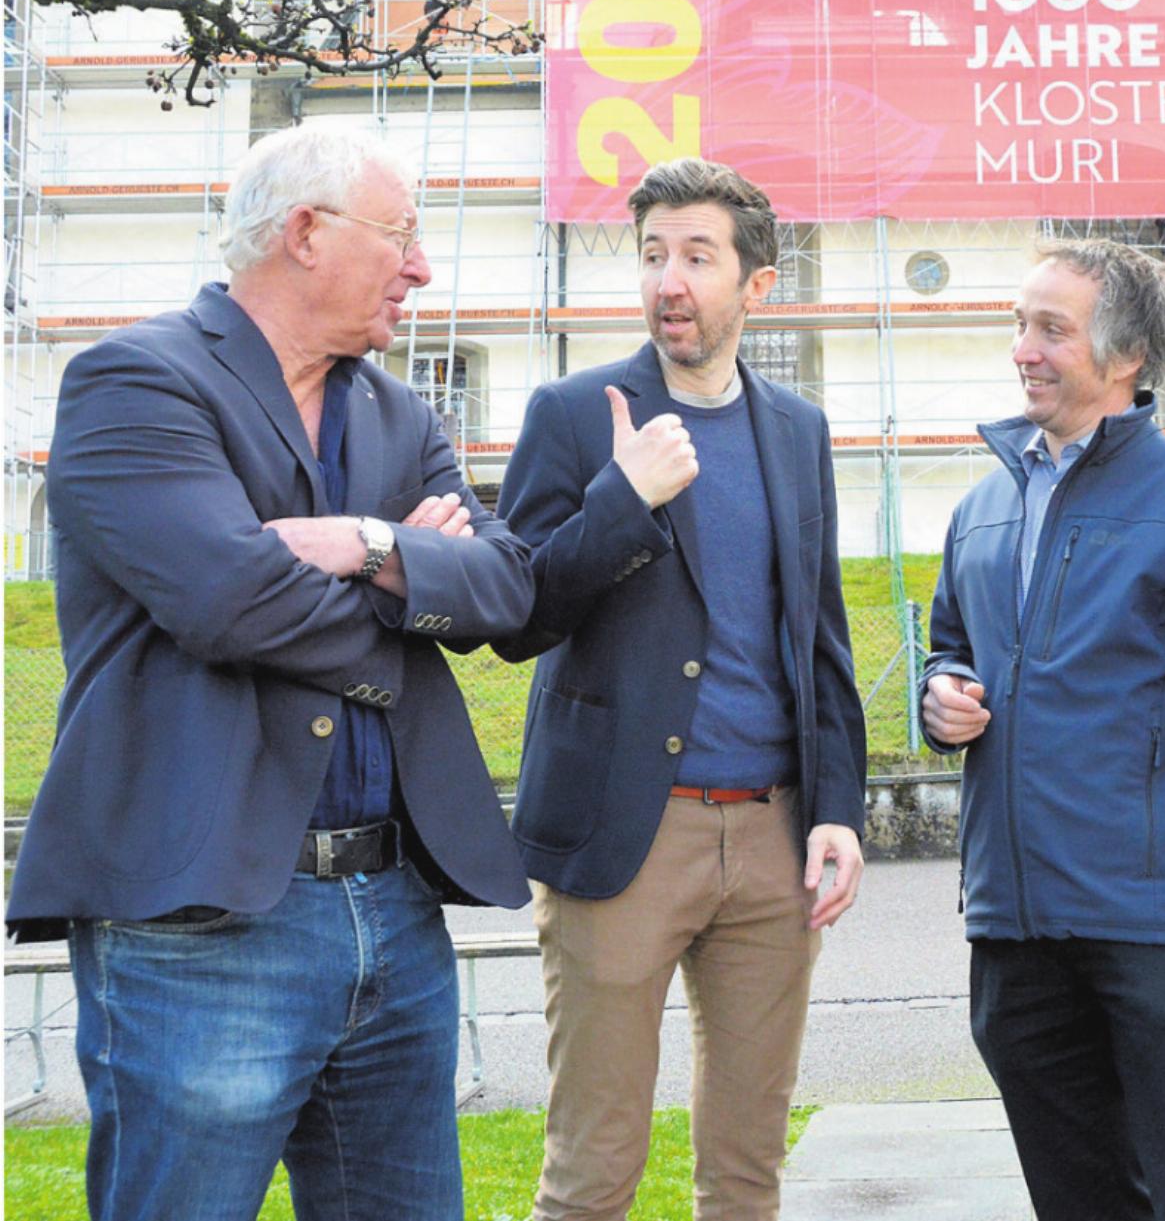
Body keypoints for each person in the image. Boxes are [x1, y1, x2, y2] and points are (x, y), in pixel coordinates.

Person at [6, 126, 535, 1220]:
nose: (421, 267)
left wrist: (366, 543)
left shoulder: (400, 409)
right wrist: (410, 588)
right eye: (400, 235)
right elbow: (227, 603)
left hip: (394, 910)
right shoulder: (135, 382)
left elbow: (504, 590)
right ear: (304, 233)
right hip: (199, 926)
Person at [494, 157, 867, 1221]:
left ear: (759, 285)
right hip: (623, 837)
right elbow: (517, 618)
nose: (669, 279)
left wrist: (837, 808)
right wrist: (623, 499)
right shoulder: (574, 413)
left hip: (770, 843)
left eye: (698, 256)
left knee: (747, 1174)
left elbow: (821, 639)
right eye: (654, 254)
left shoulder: (796, 431)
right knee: (591, 1175)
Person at [919, 237, 1165, 1221]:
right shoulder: (981, 507)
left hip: (1156, 930)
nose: (1023, 350)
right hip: (1013, 927)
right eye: (1019, 325)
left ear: (1125, 358)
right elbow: (947, 650)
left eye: (1052, 329)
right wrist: (941, 698)